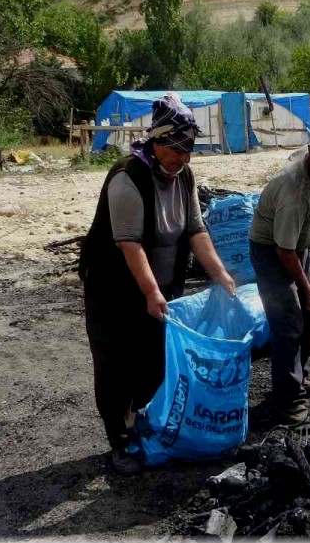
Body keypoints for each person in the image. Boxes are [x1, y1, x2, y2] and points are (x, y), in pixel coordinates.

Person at [78, 93, 237, 475]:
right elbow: (129, 243)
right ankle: (119, 439)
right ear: (157, 141)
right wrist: (150, 292)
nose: (181, 158)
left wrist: (221, 274)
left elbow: (196, 230)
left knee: (153, 360)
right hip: (114, 289)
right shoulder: (127, 177)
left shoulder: (184, 177)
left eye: (188, 151)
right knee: (115, 365)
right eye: (175, 149)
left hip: (160, 287)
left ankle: (142, 425)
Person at [249, 122, 310, 426]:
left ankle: (298, 378)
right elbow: (283, 251)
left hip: (295, 244)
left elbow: (294, 244)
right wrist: (306, 289)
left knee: (308, 317)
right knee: (288, 321)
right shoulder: (294, 190)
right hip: (271, 250)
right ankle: (287, 399)